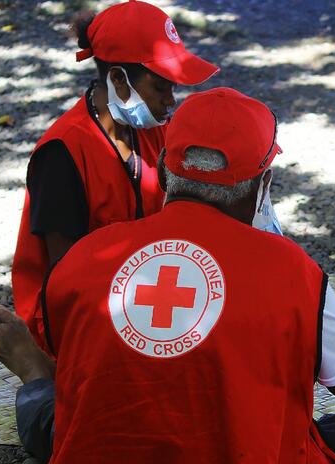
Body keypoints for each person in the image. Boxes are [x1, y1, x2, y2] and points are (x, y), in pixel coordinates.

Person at [0, 87, 335, 463]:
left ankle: (34, 378)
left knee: (62, 416)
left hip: (101, 449)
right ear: (264, 185)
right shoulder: (295, 275)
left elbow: (82, 359)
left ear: (164, 171)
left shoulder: (86, 260)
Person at [12, 0, 219, 352]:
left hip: (142, 297)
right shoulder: (62, 153)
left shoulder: (155, 131)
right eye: (161, 87)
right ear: (118, 79)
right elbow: (66, 283)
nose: (171, 101)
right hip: (78, 317)